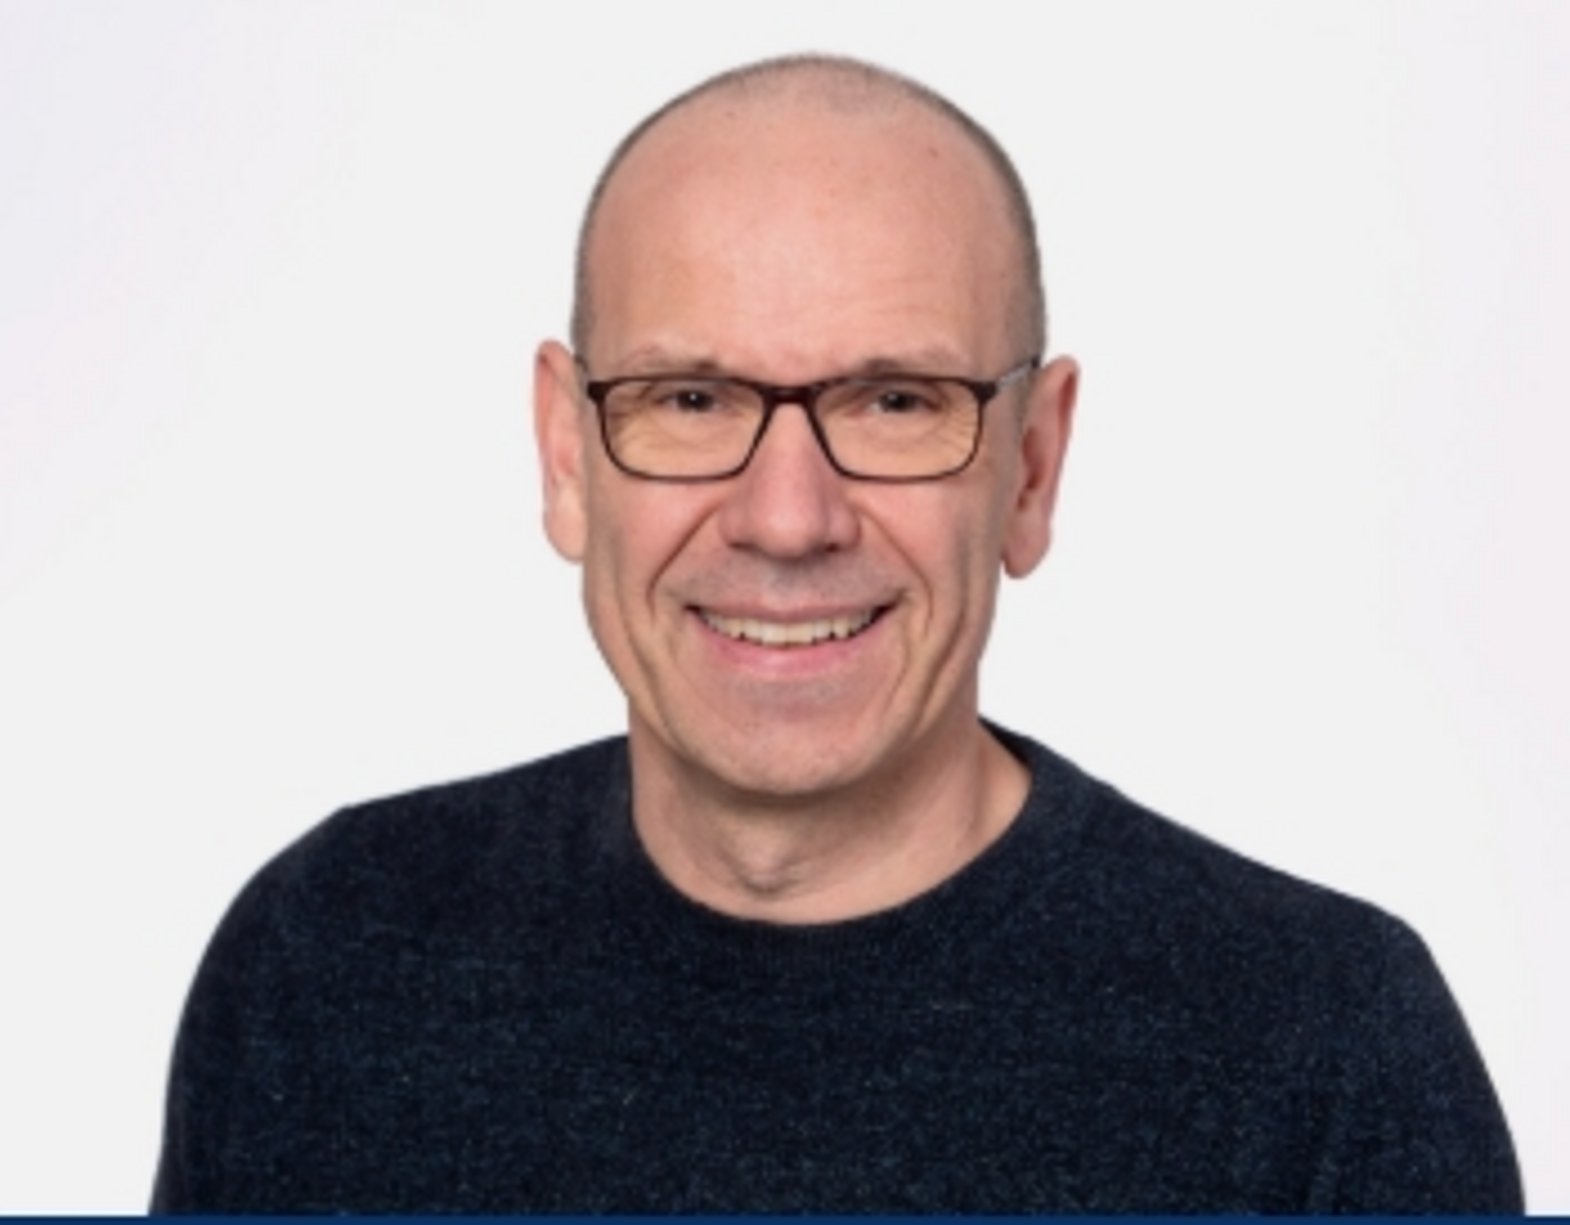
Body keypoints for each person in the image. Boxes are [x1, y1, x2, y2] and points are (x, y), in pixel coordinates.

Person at [151, 54, 1522, 1212]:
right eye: (690, 400)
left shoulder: (1324, 1054)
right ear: (567, 456)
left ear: (1032, 468)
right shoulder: (326, 958)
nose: (787, 517)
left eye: (896, 403)